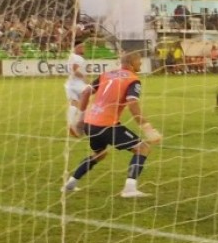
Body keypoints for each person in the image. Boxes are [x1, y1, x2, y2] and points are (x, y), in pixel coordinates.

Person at [61, 52, 162, 198]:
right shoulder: (133, 79)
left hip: (90, 122)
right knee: (142, 148)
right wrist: (147, 128)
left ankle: (70, 183)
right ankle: (129, 189)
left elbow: (86, 92)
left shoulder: (106, 74)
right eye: (139, 60)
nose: (141, 63)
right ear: (132, 62)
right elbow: (132, 103)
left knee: (99, 154)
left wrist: (80, 118)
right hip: (107, 124)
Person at [65, 39, 91, 137]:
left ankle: (71, 124)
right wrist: (84, 78)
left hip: (69, 84)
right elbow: (75, 70)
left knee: (74, 103)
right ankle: (80, 125)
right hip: (79, 84)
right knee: (87, 103)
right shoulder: (78, 58)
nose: (84, 49)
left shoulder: (71, 56)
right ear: (78, 47)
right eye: (82, 47)